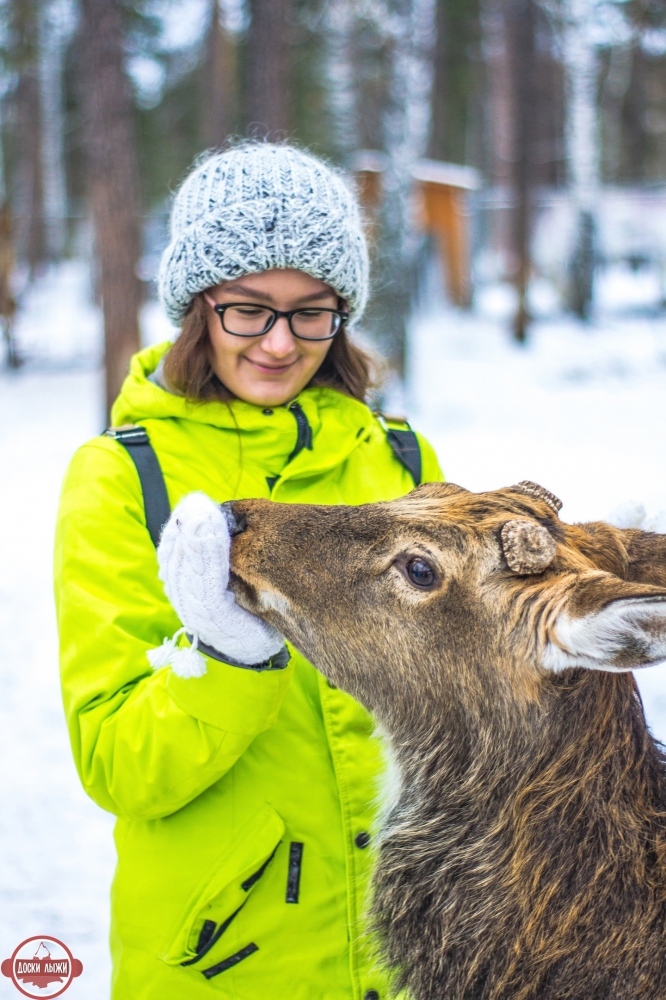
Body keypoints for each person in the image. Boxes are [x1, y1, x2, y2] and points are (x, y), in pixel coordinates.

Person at [55, 142, 444, 1000]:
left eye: (313, 312)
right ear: (198, 304)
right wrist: (227, 659)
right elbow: (120, 764)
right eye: (248, 310)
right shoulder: (126, 477)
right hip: (225, 959)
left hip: (411, 951)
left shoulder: (402, 461)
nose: (279, 342)